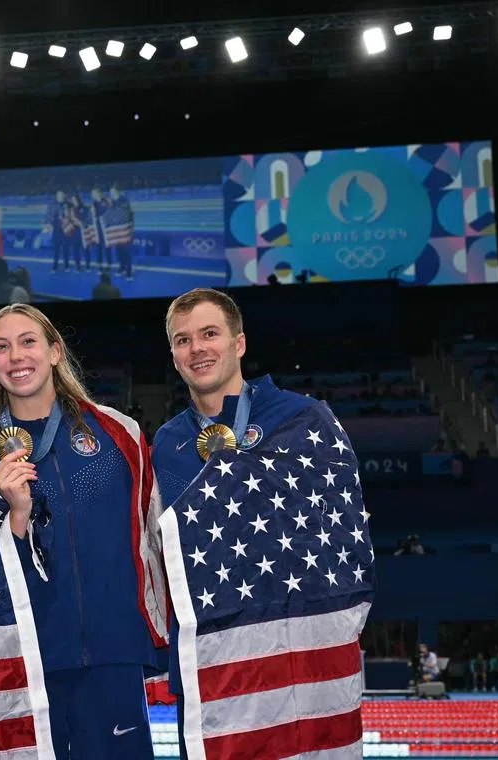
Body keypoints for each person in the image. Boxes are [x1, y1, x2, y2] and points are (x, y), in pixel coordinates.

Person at [152, 288, 376, 760]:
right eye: (182, 340)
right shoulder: (167, 443)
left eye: (209, 334)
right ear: (173, 355)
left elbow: (341, 536)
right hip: (213, 665)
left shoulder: (302, 419)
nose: (197, 349)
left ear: (239, 343)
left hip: (299, 657)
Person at [0, 303, 168, 759]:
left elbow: (153, 538)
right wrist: (17, 518)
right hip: (27, 660)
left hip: (112, 653)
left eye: (28, 342)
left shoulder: (117, 432)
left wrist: (157, 639)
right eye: (1, 348)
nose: (16, 356)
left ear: (55, 351)